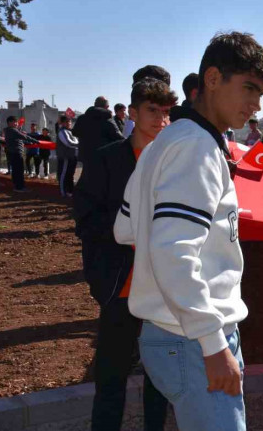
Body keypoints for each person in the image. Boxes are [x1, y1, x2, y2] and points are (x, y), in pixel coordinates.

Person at [114, 31, 263, 431]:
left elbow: (124, 228)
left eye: (262, 94)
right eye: (249, 88)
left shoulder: (165, 140)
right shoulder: (197, 147)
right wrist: (212, 341)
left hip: (169, 333)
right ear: (214, 79)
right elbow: (172, 249)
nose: (256, 105)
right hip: (192, 339)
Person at [74, 77, 177, 431]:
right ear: (132, 112)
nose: (160, 120)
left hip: (162, 290)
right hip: (120, 287)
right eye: (152, 110)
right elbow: (86, 220)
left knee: (159, 380)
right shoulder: (107, 160)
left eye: (166, 113)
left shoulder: (173, 163)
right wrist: (129, 235)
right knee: (110, 379)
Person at [73, 96, 125, 163]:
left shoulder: (81, 118)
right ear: (107, 107)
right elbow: (118, 137)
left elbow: (75, 132)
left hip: (85, 155)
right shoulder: (107, 118)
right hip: (102, 156)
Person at [3, 116, 39, 192]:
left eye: (16, 122)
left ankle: (16, 185)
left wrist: (30, 142)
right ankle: (20, 187)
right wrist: (36, 141)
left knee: (15, 170)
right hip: (16, 152)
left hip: (13, 152)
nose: (16, 123)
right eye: (15, 122)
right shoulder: (12, 130)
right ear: (9, 123)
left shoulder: (8, 130)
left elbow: (18, 138)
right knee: (19, 170)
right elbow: (24, 136)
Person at [56, 115, 79, 196]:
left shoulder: (71, 131)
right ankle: (63, 192)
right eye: (67, 122)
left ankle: (70, 191)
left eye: (70, 121)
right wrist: (80, 144)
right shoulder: (62, 131)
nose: (69, 123)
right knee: (64, 175)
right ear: (62, 123)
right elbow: (69, 143)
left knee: (70, 174)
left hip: (72, 157)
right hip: (65, 157)